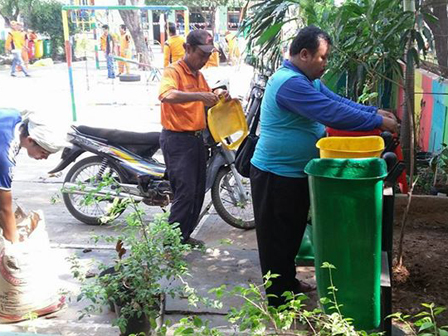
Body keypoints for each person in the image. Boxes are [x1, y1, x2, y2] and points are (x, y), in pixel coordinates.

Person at [249, 26, 398, 307]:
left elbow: (336, 101)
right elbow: (330, 113)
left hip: (294, 173)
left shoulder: (307, 80)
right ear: (304, 55)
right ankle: (278, 300)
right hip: (274, 174)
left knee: (291, 233)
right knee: (275, 240)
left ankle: (288, 283)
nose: (325, 64)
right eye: (323, 57)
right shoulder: (289, 83)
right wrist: (377, 122)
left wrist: (373, 112)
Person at [158, 30, 230, 246]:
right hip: (177, 140)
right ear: (188, 49)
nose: (205, 60)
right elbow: (166, 95)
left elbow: (208, 101)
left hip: (197, 139)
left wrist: (220, 96)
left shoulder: (198, 75)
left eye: (208, 55)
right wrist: (199, 96)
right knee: (185, 192)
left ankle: (184, 236)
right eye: (201, 54)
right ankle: (171, 243)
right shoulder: (174, 71)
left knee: (198, 191)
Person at [0, 109, 63, 243]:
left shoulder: (13, 115)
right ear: (30, 140)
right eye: (44, 152)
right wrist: (15, 249)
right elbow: (4, 209)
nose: (44, 158)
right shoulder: (5, 157)